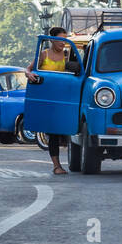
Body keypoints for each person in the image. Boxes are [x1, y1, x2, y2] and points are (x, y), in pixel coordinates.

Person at [28, 27, 74, 174]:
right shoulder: (44, 54)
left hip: (62, 98)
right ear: (52, 39)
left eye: (65, 40)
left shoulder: (66, 55)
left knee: (68, 129)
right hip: (47, 97)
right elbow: (28, 69)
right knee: (53, 133)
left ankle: (73, 161)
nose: (63, 43)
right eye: (61, 40)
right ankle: (56, 166)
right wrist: (29, 75)